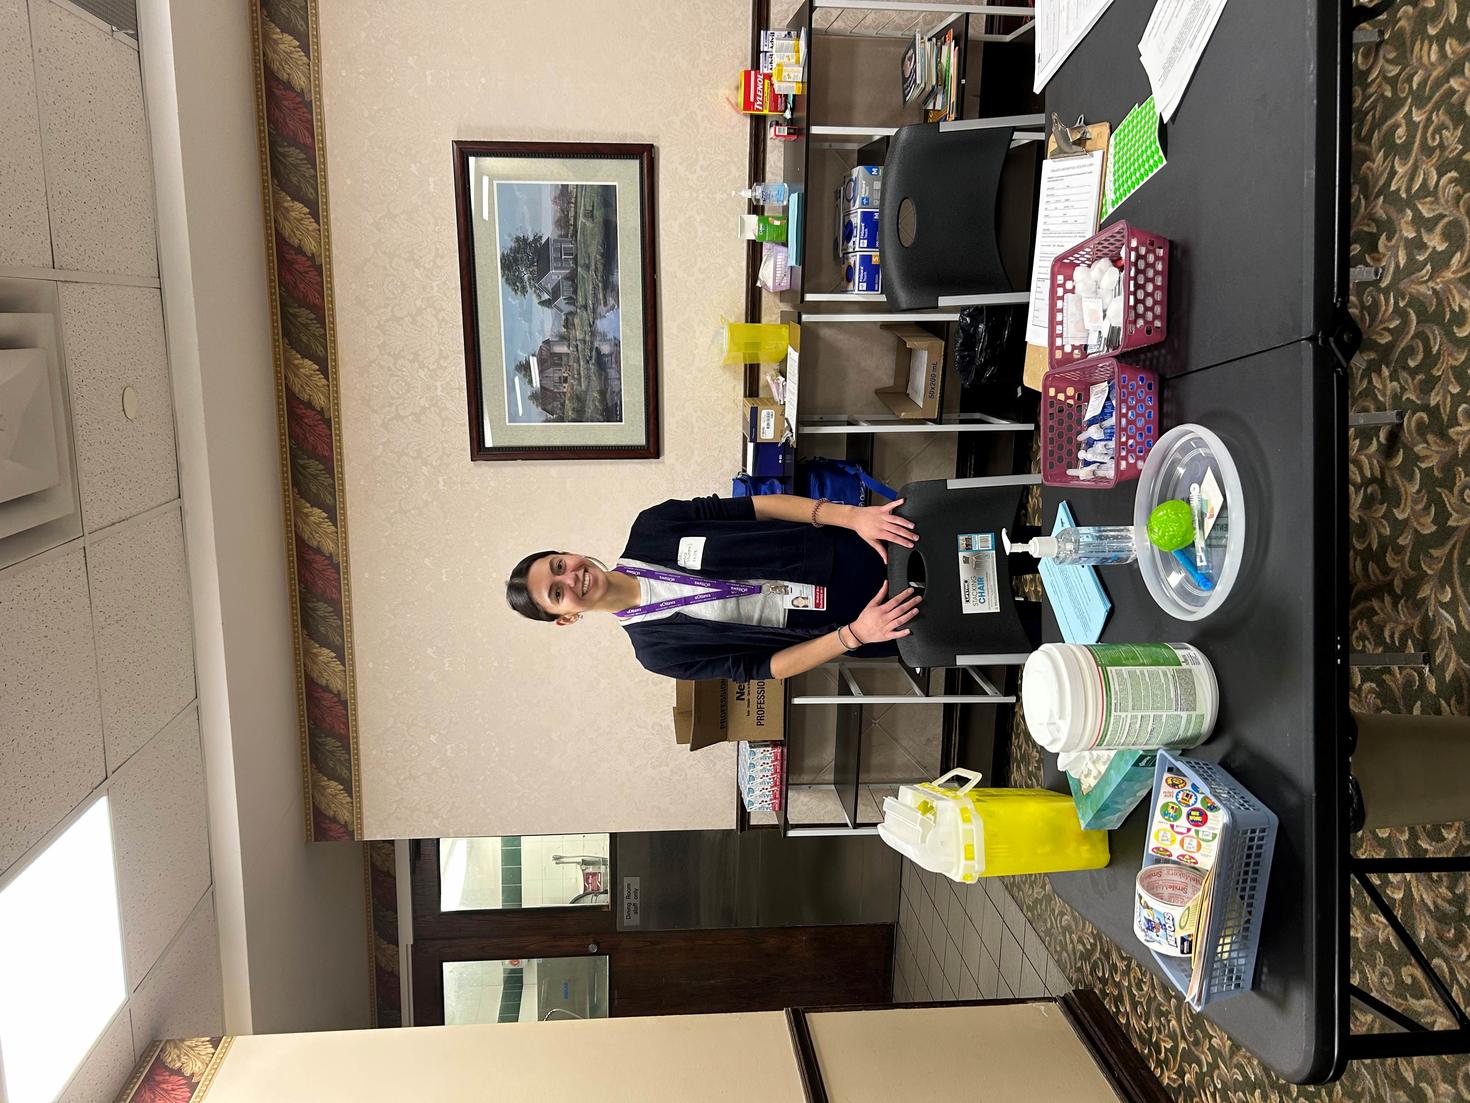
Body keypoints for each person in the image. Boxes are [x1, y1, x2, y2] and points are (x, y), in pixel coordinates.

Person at [505, 493, 923, 682]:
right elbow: (764, 668)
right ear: (566, 618)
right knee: (968, 619)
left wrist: (851, 516)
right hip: (850, 622)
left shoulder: (653, 527)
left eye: (558, 565)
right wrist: (855, 636)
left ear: (567, 553)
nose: (570, 578)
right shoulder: (659, 652)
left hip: (848, 548)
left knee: (954, 544)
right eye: (557, 593)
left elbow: (757, 508)